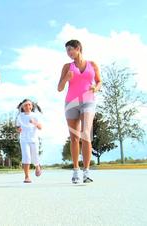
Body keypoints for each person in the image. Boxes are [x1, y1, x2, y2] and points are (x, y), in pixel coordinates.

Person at [57, 40, 101, 184]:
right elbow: (59, 87)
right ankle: (76, 170)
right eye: (67, 51)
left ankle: (86, 172)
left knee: (86, 134)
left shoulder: (92, 65)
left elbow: (99, 81)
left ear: (78, 48)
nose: (69, 53)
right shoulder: (67, 67)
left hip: (88, 100)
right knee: (75, 137)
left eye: (71, 49)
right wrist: (66, 78)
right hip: (71, 103)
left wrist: (96, 87)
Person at [16, 99, 43, 183]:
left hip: (34, 139)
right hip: (24, 140)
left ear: (32, 106)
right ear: (22, 107)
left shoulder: (35, 115)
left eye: (29, 105)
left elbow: (40, 127)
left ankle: (37, 166)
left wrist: (34, 122)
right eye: (25, 105)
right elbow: (17, 127)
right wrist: (18, 129)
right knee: (26, 157)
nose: (27, 106)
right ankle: (27, 177)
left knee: (34, 157)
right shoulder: (20, 116)